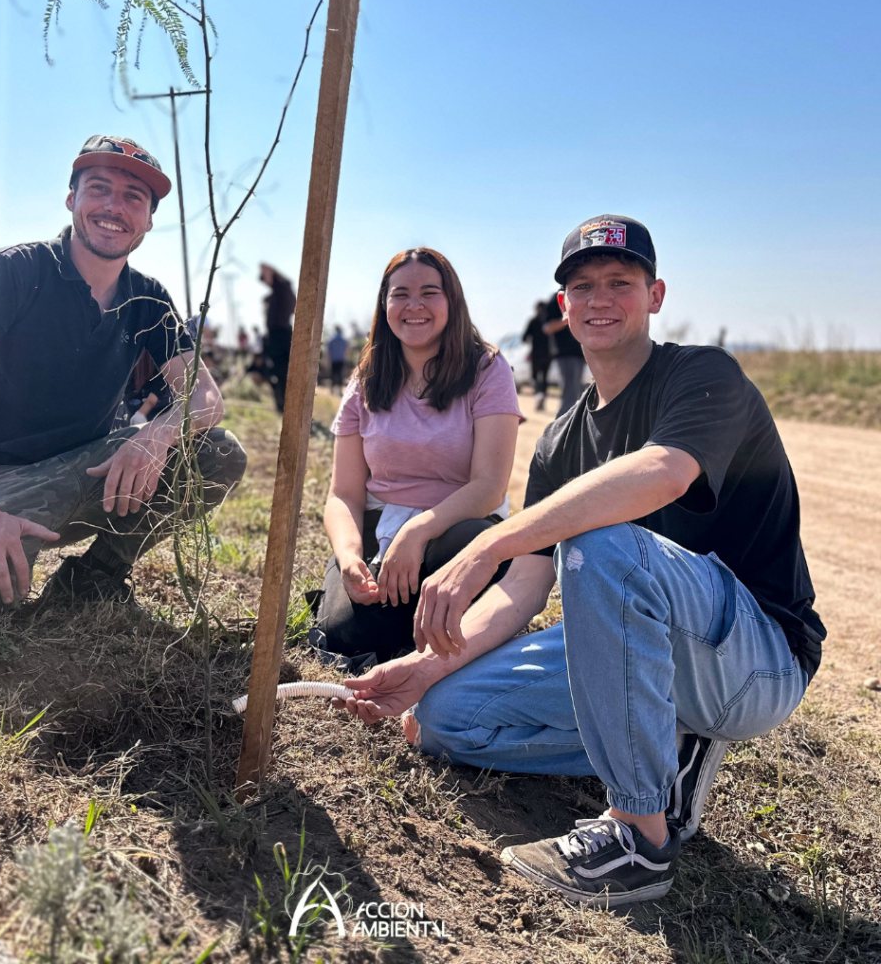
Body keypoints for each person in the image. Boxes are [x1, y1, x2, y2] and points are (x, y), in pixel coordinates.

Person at [336, 216, 825, 906]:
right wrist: (424, 667)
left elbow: (662, 473)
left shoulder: (702, 375)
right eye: (583, 286)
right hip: (651, 656)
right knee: (443, 720)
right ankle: (669, 751)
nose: (600, 299)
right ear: (562, 307)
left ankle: (639, 842)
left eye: (620, 283)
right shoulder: (562, 439)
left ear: (655, 295)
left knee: (598, 541)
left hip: (755, 657)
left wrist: (487, 541)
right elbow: (526, 589)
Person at [0, 136, 247, 611]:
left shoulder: (149, 299)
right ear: (71, 199)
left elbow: (206, 397)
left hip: (93, 471)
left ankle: (94, 577)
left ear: (149, 219)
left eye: (134, 197)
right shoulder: (14, 270)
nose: (114, 206)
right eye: (99, 188)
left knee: (216, 453)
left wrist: (156, 435)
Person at [311, 247, 523, 668]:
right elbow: (343, 495)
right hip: (381, 528)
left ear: (452, 302)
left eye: (430, 292)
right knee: (338, 634)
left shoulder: (488, 369)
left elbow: (488, 487)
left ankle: (430, 631)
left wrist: (417, 533)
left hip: (458, 526)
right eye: (400, 294)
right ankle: (409, 628)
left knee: (468, 551)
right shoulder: (365, 381)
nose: (414, 306)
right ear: (384, 304)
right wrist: (350, 554)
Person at [543, 288, 586, 416]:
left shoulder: (583, 295)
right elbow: (547, 327)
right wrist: (569, 317)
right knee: (570, 395)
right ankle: (561, 429)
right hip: (566, 354)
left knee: (577, 393)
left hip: (582, 353)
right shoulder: (556, 299)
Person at [260, 264, 296, 412]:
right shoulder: (274, 295)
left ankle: (287, 405)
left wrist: (267, 269)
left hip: (281, 337)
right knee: (274, 372)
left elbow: (268, 269)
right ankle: (281, 405)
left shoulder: (283, 288)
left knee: (283, 373)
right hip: (274, 338)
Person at [522, 299, 554, 411]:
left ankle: (538, 395)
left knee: (535, 377)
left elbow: (524, 338)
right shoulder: (549, 322)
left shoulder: (533, 321)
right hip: (549, 354)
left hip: (536, 354)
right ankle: (542, 397)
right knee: (544, 378)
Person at [327, 325, 349, 393]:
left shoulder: (332, 340)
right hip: (341, 359)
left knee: (333, 373)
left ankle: (332, 390)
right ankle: (340, 390)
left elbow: (328, 350)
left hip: (333, 359)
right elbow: (347, 349)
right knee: (340, 374)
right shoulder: (343, 340)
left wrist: (327, 359)